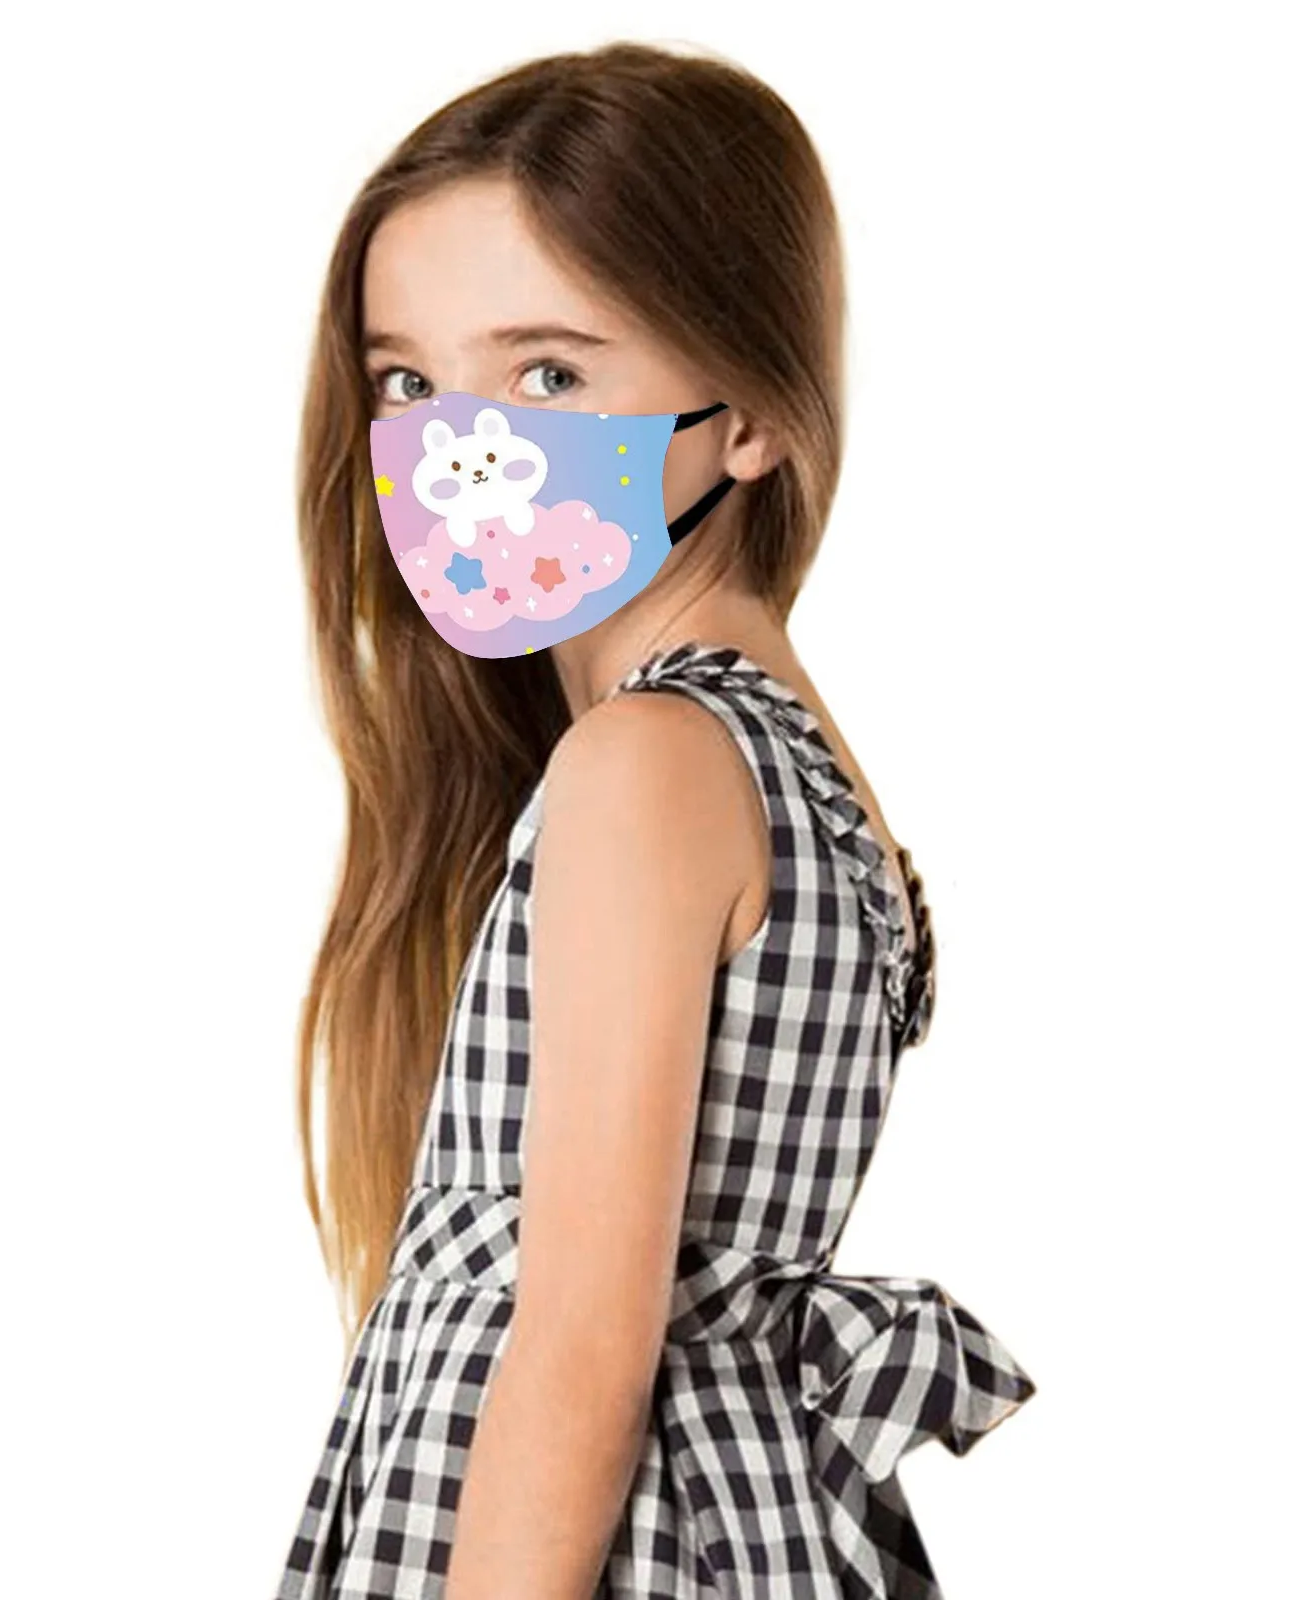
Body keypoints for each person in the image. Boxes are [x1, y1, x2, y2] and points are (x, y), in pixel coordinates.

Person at [275, 39, 1035, 1600]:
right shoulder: (780, 758)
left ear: (749, 414)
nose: (458, 448)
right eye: (409, 381)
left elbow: (581, 1353)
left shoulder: (646, 766)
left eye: (549, 374)